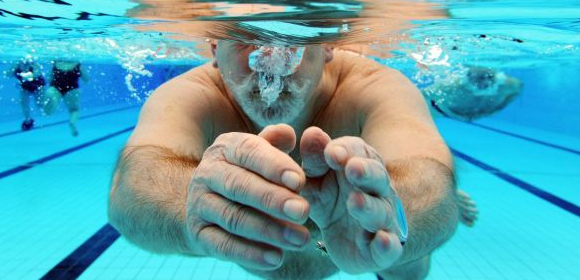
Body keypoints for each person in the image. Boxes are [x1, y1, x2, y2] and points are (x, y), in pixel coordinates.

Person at [109, 42, 462, 280]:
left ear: (327, 46)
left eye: (293, 37)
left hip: (369, 251)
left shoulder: (370, 86)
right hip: (276, 259)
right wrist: (193, 210)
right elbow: (135, 184)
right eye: (246, 36)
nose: (270, 60)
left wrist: (387, 214)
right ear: (215, 47)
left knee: (404, 263)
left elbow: (429, 182)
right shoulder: (195, 95)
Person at [422, 66, 523, 122]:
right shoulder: (451, 84)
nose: (483, 83)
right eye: (478, 78)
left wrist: (495, 110)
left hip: (468, 114)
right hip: (439, 111)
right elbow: (423, 94)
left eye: (487, 77)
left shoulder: (510, 84)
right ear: (468, 75)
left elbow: (518, 90)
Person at [43, 60, 89, 136]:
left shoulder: (56, 62)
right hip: (72, 88)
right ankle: (72, 122)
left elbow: (49, 78)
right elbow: (86, 79)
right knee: (74, 110)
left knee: (48, 112)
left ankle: (53, 100)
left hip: (56, 86)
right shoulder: (77, 64)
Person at [8, 55, 46, 131]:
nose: (24, 63)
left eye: (27, 62)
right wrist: (13, 69)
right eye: (22, 62)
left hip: (38, 86)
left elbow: (37, 73)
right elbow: (8, 74)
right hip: (25, 86)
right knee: (23, 103)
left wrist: (29, 75)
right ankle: (28, 121)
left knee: (39, 105)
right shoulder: (16, 65)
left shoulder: (34, 65)